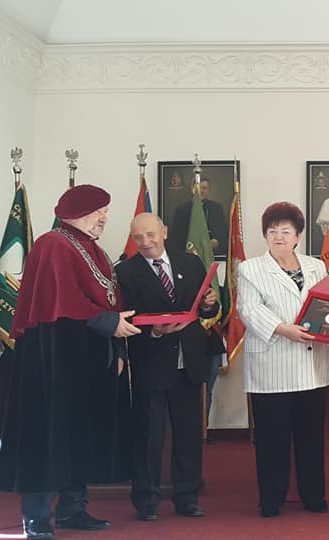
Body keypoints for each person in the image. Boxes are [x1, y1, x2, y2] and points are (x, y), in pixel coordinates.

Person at [0, 185, 141, 540]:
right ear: (77, 211)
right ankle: (37, 517)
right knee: (50, 432)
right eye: (99, 211)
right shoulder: (52, 244)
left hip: (89, 357)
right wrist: (109, 324)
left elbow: (108, 302)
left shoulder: (95, 249)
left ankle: (74, 507)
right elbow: (63, 300)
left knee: (79, 432)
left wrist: (116, 347)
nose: (105, 218)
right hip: (54, 359)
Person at [115, 213, 219, 521]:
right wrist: (155, 331)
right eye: (138, 238)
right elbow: (125, 317)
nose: (145, 242)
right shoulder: (125, 272)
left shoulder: (191, 263)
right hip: (151, 361)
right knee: (150, 434)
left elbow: (203, 307)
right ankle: (146, 500)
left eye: (150, 235)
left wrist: (210, 303)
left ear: (164, 231)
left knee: (188, 434)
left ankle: (187, 497)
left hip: (188, 360)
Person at [236, 202, 329, 517]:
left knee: (310, 438)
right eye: (272, 231)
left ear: (298, 236)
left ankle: (314, 497)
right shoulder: (250, 268)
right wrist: (282, 329)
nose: (279, 236)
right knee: (271, 439)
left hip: (312, 365)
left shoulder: (316, 265)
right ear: (265, 235)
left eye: (286, 231)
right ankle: (272, 500)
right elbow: (248, 309)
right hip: (272, 365)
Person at [169, 178, 229, 256]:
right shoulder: (182, 209)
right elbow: (176, 236)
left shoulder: (216, 208)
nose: (201, 191)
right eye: (198, 187)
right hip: (188, 254)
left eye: (204, 188)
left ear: (208, 190)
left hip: (211, 255)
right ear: (192, 188)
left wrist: (217, 240)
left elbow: (222, 232)